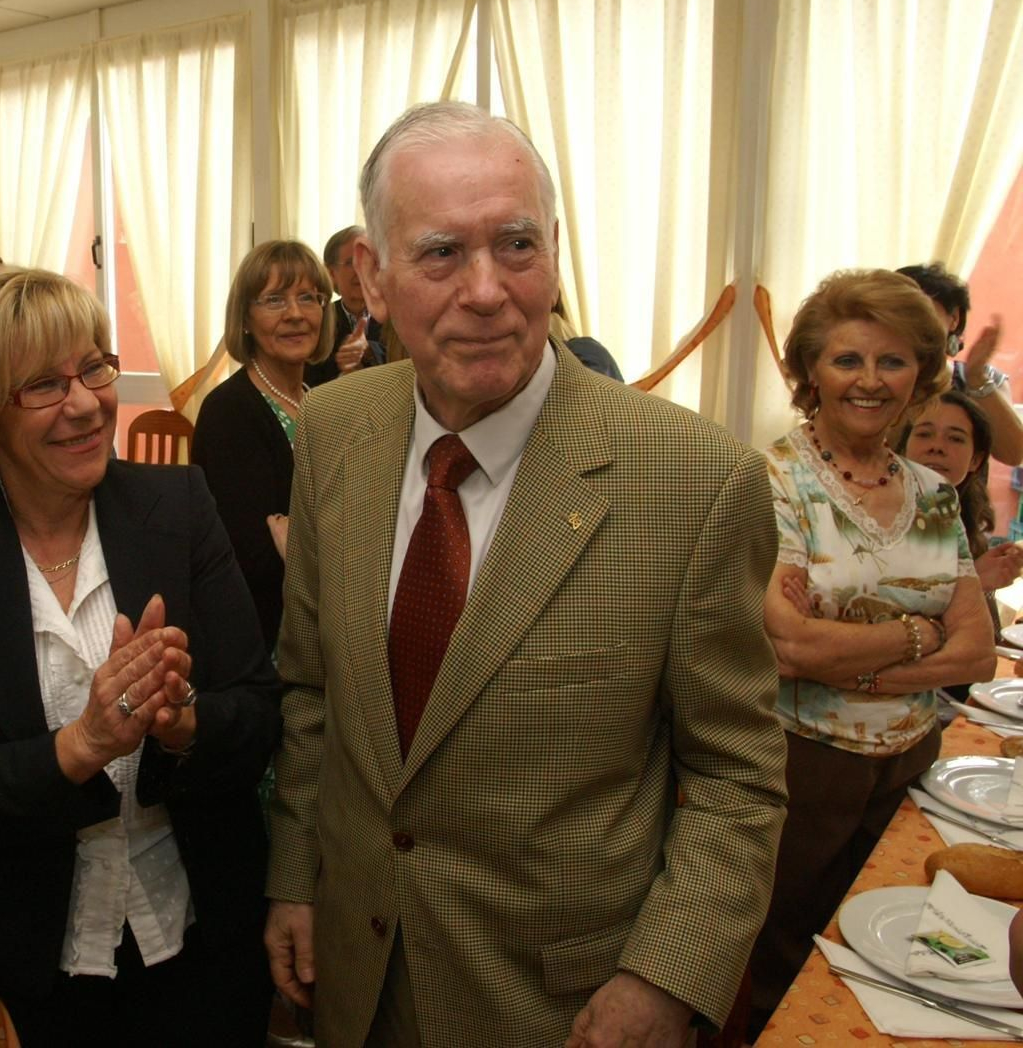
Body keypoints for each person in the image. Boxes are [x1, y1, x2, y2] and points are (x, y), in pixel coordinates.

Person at [263, 101, 789, 1046]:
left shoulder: (697, 480)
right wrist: (296, 878)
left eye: (516, 245)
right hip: (353, 974)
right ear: (371, 279)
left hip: (559, 1007)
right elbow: (312, 693)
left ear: (555, 253)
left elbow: (735, 780)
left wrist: (665, 979)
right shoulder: (333, 428)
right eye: (439, 255)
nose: (487, 291)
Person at [0, 265, 281, 1045]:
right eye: (41, 384)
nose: (85, 403)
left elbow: (260, 711)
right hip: (25, 959)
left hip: (196, 937)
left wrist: (182, 723)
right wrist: (84, 745)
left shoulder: (180, 505)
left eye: (94, 367)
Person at [748, 269, 996, 1029]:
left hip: (910, 762)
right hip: (803, 765)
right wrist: (923, 631)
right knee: (778, 957)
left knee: (888, 951)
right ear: (809, 373)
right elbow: (789, 646)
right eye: (847, 360)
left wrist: (852, 649)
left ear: (920, 374)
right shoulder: (775, 480)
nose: (869, 381)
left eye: (892, 362)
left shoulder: (936, 493)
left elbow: (979, 654)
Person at [192, 240, 336, 650]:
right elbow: (251, 559)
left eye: (308, 297)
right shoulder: (228, 412)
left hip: (329, 634)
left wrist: (305, 542)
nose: (295, 314)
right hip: (271, 641)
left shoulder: (322, 400)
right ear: (246, 319)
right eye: (274, 300)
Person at [901, 389, 1022, 611]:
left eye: (955, 438)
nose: (936, 447)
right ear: (903, 448)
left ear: (975, 460)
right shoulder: (874, 515)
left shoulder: (964, 524)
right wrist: (973, 583)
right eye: (924, 434)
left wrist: (980, 575)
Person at [896, 262, 1022, 465]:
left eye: (921, 309)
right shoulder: (874, 376)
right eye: (898, 311)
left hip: (959, 497)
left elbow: (1014, 454)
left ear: (953, 318)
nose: (909, 321)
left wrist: (976, 377)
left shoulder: (982, 378)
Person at [305, 226, 384, 387]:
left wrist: (370, 351)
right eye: (351, 262)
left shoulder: (395, 315)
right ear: (331, 273)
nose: (362, 269)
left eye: (369, 261)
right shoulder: (319, 319)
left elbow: (411, 367)